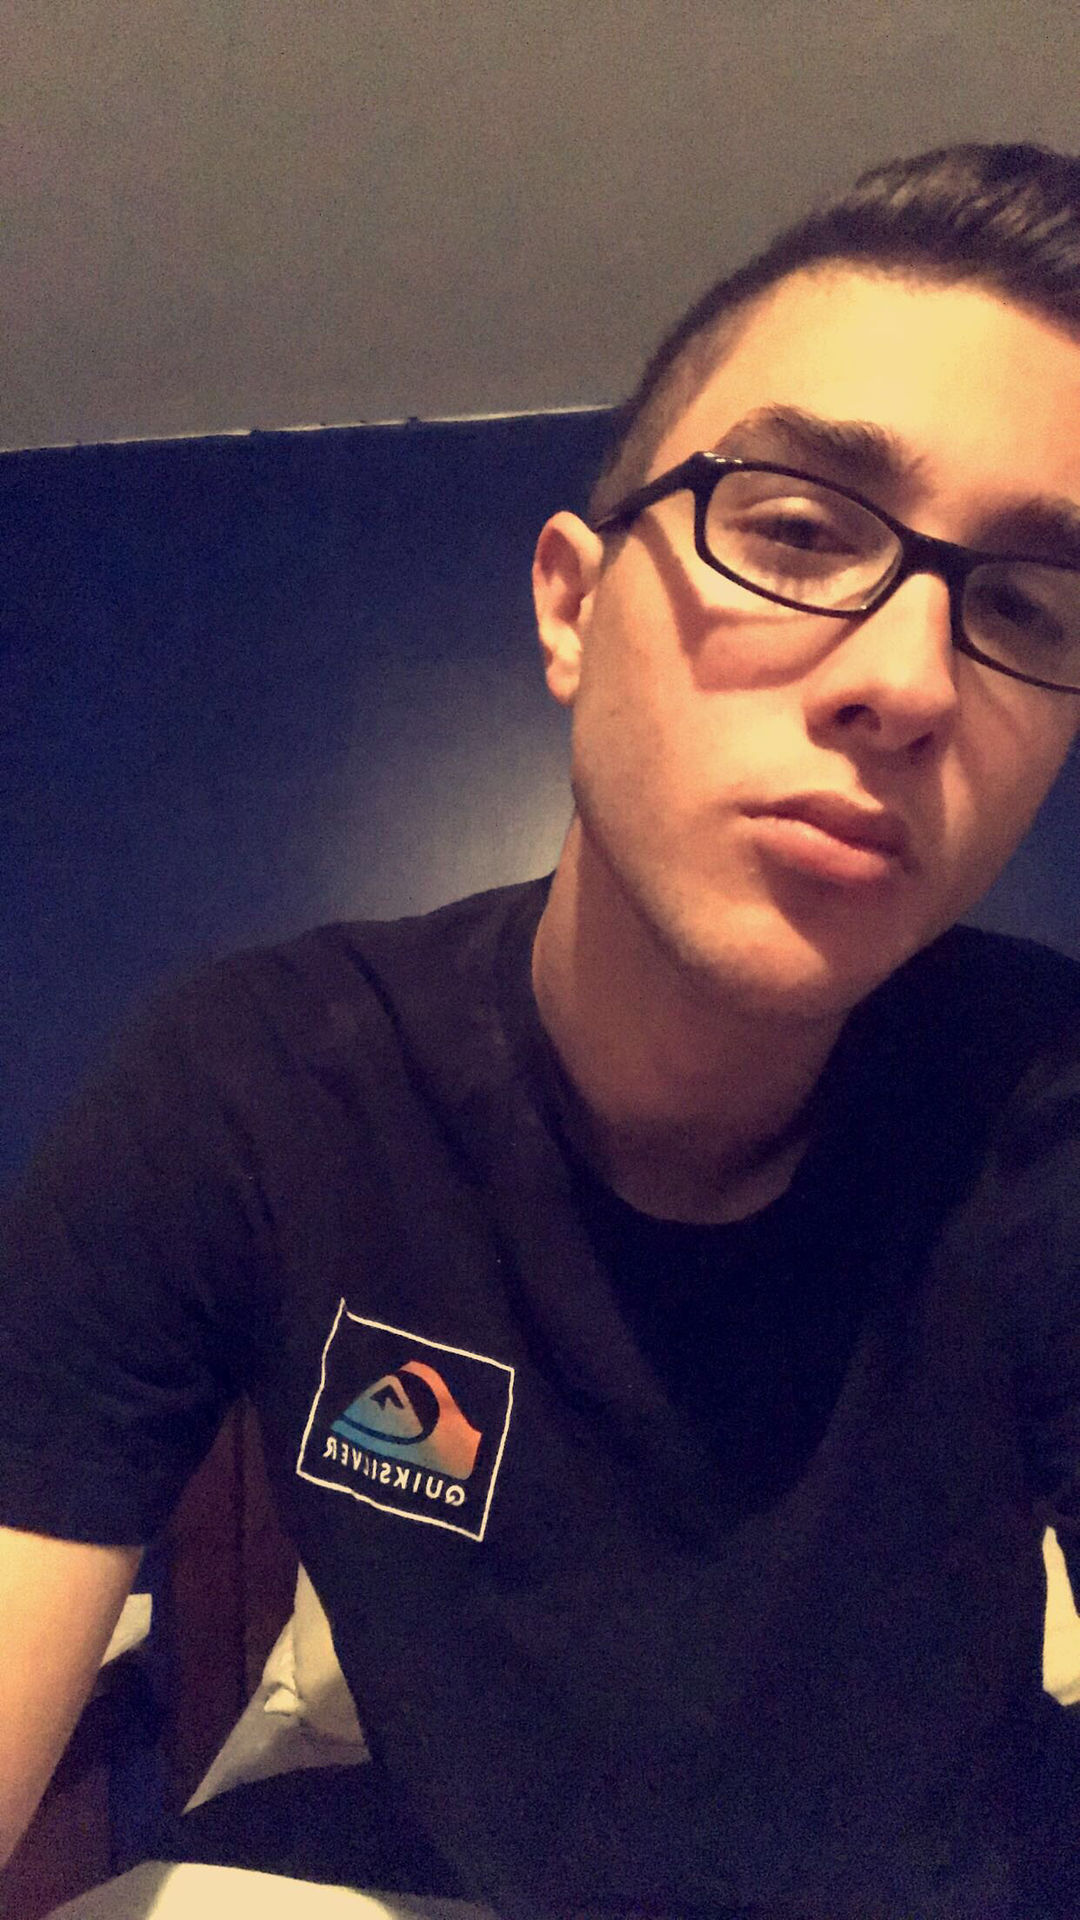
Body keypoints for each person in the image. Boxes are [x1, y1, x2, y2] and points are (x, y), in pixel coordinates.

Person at [2, 139, 1080, 1920]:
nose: (908, 680)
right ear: (573, 606)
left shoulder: (1049, 1118)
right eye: (797, 532)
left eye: (1028, 607)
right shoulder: (257, 1097)